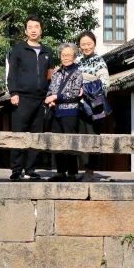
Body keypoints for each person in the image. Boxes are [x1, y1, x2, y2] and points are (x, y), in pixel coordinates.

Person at [5, 16, 54, 180]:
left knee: (36, 135)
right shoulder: (18, 49)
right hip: (22, 98)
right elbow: (11, 74)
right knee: (18, 134)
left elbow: (50, 76)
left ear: (41, 30)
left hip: (41, 99)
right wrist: (13, 93)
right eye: (30, 27)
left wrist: (50, 95)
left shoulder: (48, 51)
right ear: (26, 31)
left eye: (36, 26)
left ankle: (31, 169)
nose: (33, 29)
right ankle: (16, 170)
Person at [44, 44, 85, 181]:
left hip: (70, 112)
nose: (65, 57)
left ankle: (72, 173)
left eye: (68, 55)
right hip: (56, 112)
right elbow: (51, 89)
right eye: (63, 55)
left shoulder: (78, 73)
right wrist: (50, 99)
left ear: (74, 57)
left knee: (70, 143)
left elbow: (74, 94)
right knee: (57, 143)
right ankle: (60, 172)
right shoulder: (57, 73)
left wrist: (56, 97)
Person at [76, 31, 110, 181]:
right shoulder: (78, 61)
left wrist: (86, 87)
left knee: (92, 138)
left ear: (94, 44)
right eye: (83, 44)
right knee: (81, 138)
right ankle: (83, 169)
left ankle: (90, 170)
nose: (86, 47)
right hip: (79, 106)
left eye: (89, 44)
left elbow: (105, 83)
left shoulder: (99, 61)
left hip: (93, 106)